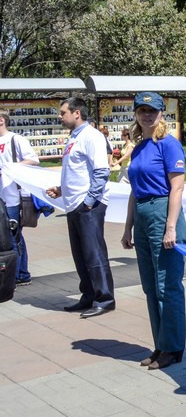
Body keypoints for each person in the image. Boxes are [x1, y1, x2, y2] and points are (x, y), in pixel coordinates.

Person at [120, 92, 186, 370]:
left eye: (152, 111)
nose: (147, 115)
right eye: (142, 110)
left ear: (162, 114)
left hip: (163, 213)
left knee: (166, 285)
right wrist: (128, 227)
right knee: (150, 286)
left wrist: (170, 227)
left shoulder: (169, 145)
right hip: (143, 214)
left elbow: (177, 188)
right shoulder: (138, 148)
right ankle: (160, 343)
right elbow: (134, 190)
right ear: (136, 114)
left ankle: (173, 347)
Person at [46, 97, 116, 318]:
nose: (60, 116)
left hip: (88, 205)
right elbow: (77, 172)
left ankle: (105, 299)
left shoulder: (91, 136)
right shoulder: (74, 137)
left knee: (94, 254)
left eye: (63, 112)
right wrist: (61, 189)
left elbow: (101, 171)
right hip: (74, 203)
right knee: (81, 255)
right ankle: (89, 295)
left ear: (77, 113)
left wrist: (89, 202)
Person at [0, 110, 39, 287]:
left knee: (13, 235)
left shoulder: (15, 139)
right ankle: (15, 273)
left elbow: (33, 160)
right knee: (5, 237)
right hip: (2, 196)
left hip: (13, 197)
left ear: (1, 120)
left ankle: (20, 275)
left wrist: (10, 167)